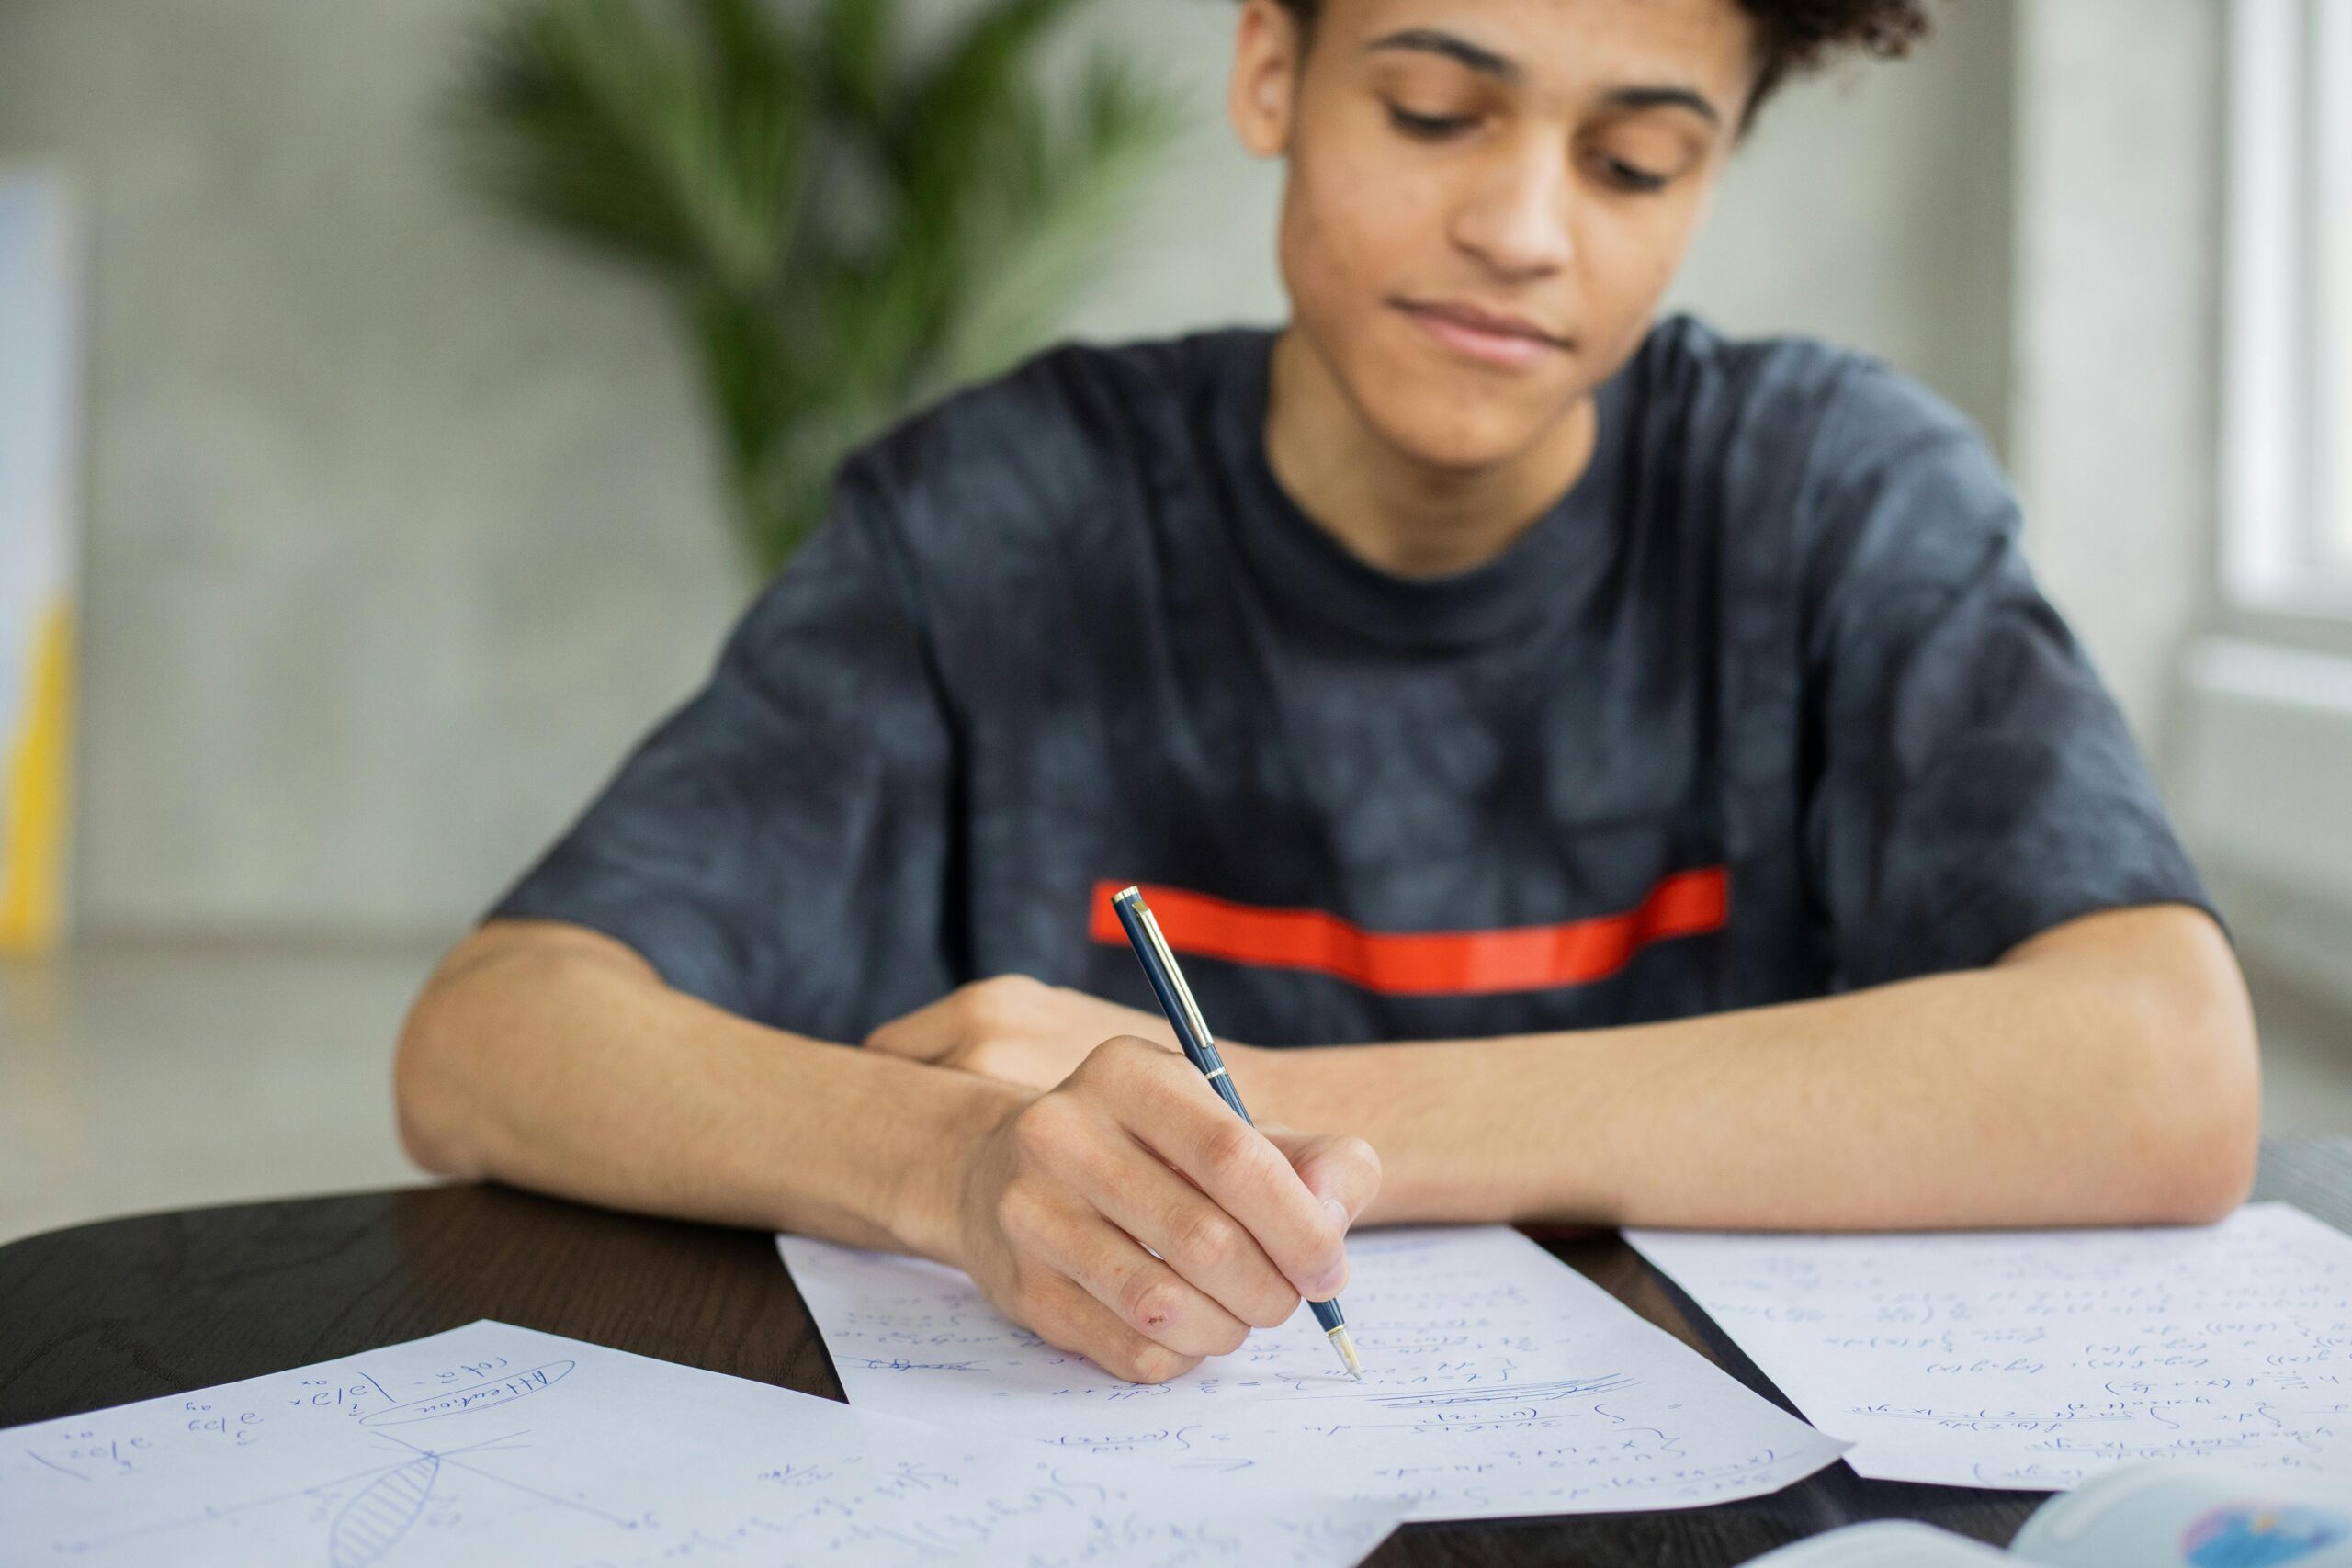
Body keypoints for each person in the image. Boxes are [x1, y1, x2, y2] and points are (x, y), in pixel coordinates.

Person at [394, 0, 2261, 1386]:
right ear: (1269, 69)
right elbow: (491, 1035)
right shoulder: (1002, 516)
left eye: (1630, 160)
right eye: (1439, 110)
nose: (1526, 228)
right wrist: (954, 1162)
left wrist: (1279, 1113)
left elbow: (2161, 1069)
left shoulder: (1827, 496)